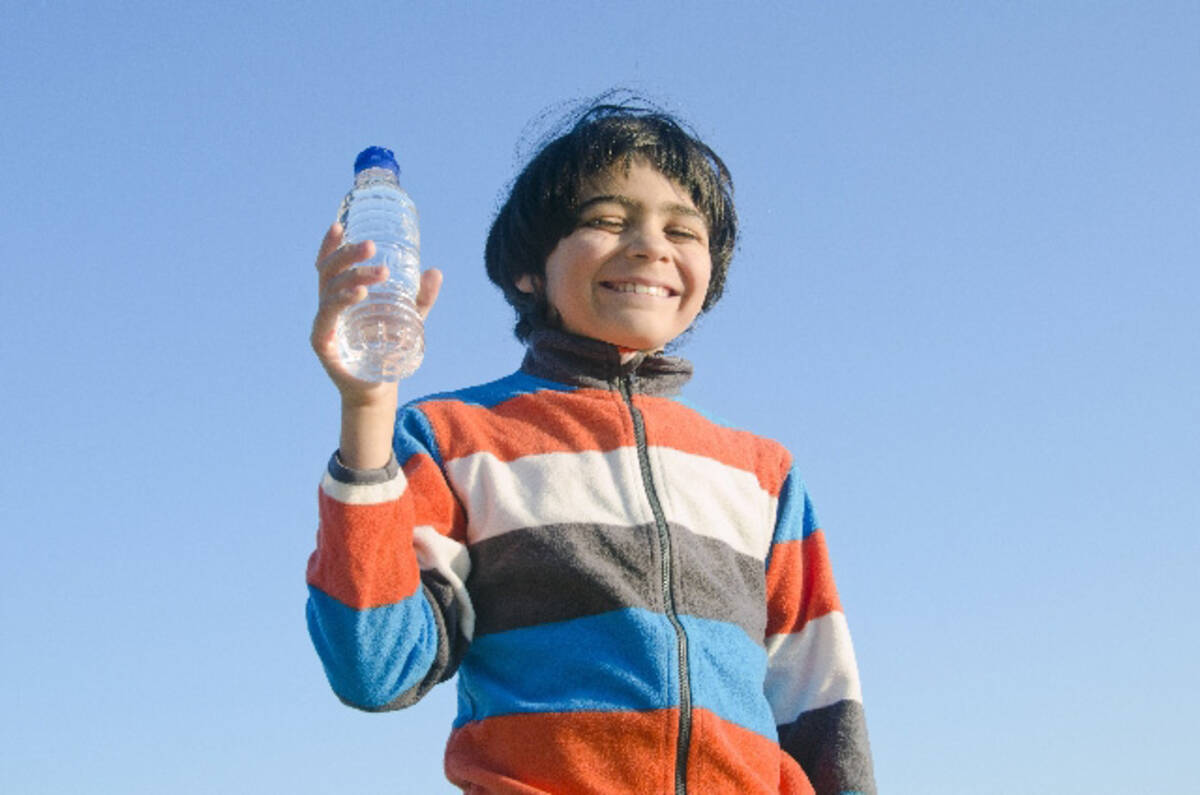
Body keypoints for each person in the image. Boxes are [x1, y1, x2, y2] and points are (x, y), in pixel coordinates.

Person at [306, 100, 876, 795]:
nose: (650, 246)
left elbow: (819, 700)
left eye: (681, 230)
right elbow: (376, 666)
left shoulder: (762, 472)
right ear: (528, 270)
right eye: (607, 220)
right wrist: (367, 409)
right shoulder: (455, 438)